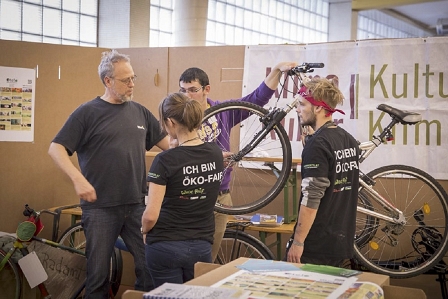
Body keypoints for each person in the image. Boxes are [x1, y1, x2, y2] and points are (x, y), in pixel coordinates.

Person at [48, 49, 170, 298]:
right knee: (98, 277)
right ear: (108, 81)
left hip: (136, 205)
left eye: (133, 78)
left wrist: (201, 149)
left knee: (149, 267)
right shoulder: (87, 113)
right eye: (126, 80)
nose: (132, 84)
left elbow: (171, 147)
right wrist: (78, 179)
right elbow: (55, 148)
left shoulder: (140, 112)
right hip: (100, 208)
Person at [178, 62, 298, 261]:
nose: (187, 96)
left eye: (192, 90)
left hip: (221, 197)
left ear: (206, 89)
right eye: (182, 91)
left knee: (207, 258)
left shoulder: (223, 111)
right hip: (191, 196)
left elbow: (257, 98)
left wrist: (276, 70)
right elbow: (176, 155)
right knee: (187, 256)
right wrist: (215, 158)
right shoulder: (179, 118)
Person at [141, 92, 224, 287]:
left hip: (165, 246)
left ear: (170, 122)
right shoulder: (216, 153)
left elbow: (151, 215)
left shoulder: (164, 160)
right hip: (201, 247)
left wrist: (144, 230)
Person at [285, 77, 360, 267]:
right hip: (341, 243)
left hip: (316, 246)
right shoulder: (348, 139)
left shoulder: (318, 145)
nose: (297, 109)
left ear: (318, 108)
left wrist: (298, 242)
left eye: (302, 104)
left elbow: (312, 198)